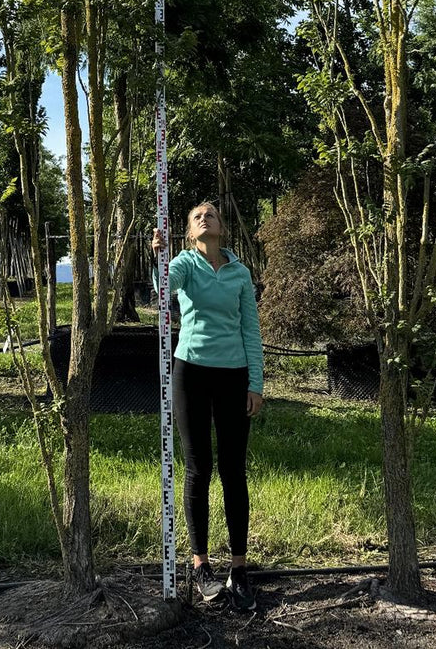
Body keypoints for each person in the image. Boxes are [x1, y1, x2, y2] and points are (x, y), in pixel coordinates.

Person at [153, 201, 263, 611]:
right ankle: (201, 565)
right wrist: (159, 258)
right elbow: (164, 291)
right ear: (188, 231)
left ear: (222, 227)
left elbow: (251, 328)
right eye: (197, 215)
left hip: (234, 376)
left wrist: (256, 384)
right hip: (191, 374)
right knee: (198, 467)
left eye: (211, 214)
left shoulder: (239, 272)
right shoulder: (183, 263)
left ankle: (239, 568)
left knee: (235, 470)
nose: (205, 217)